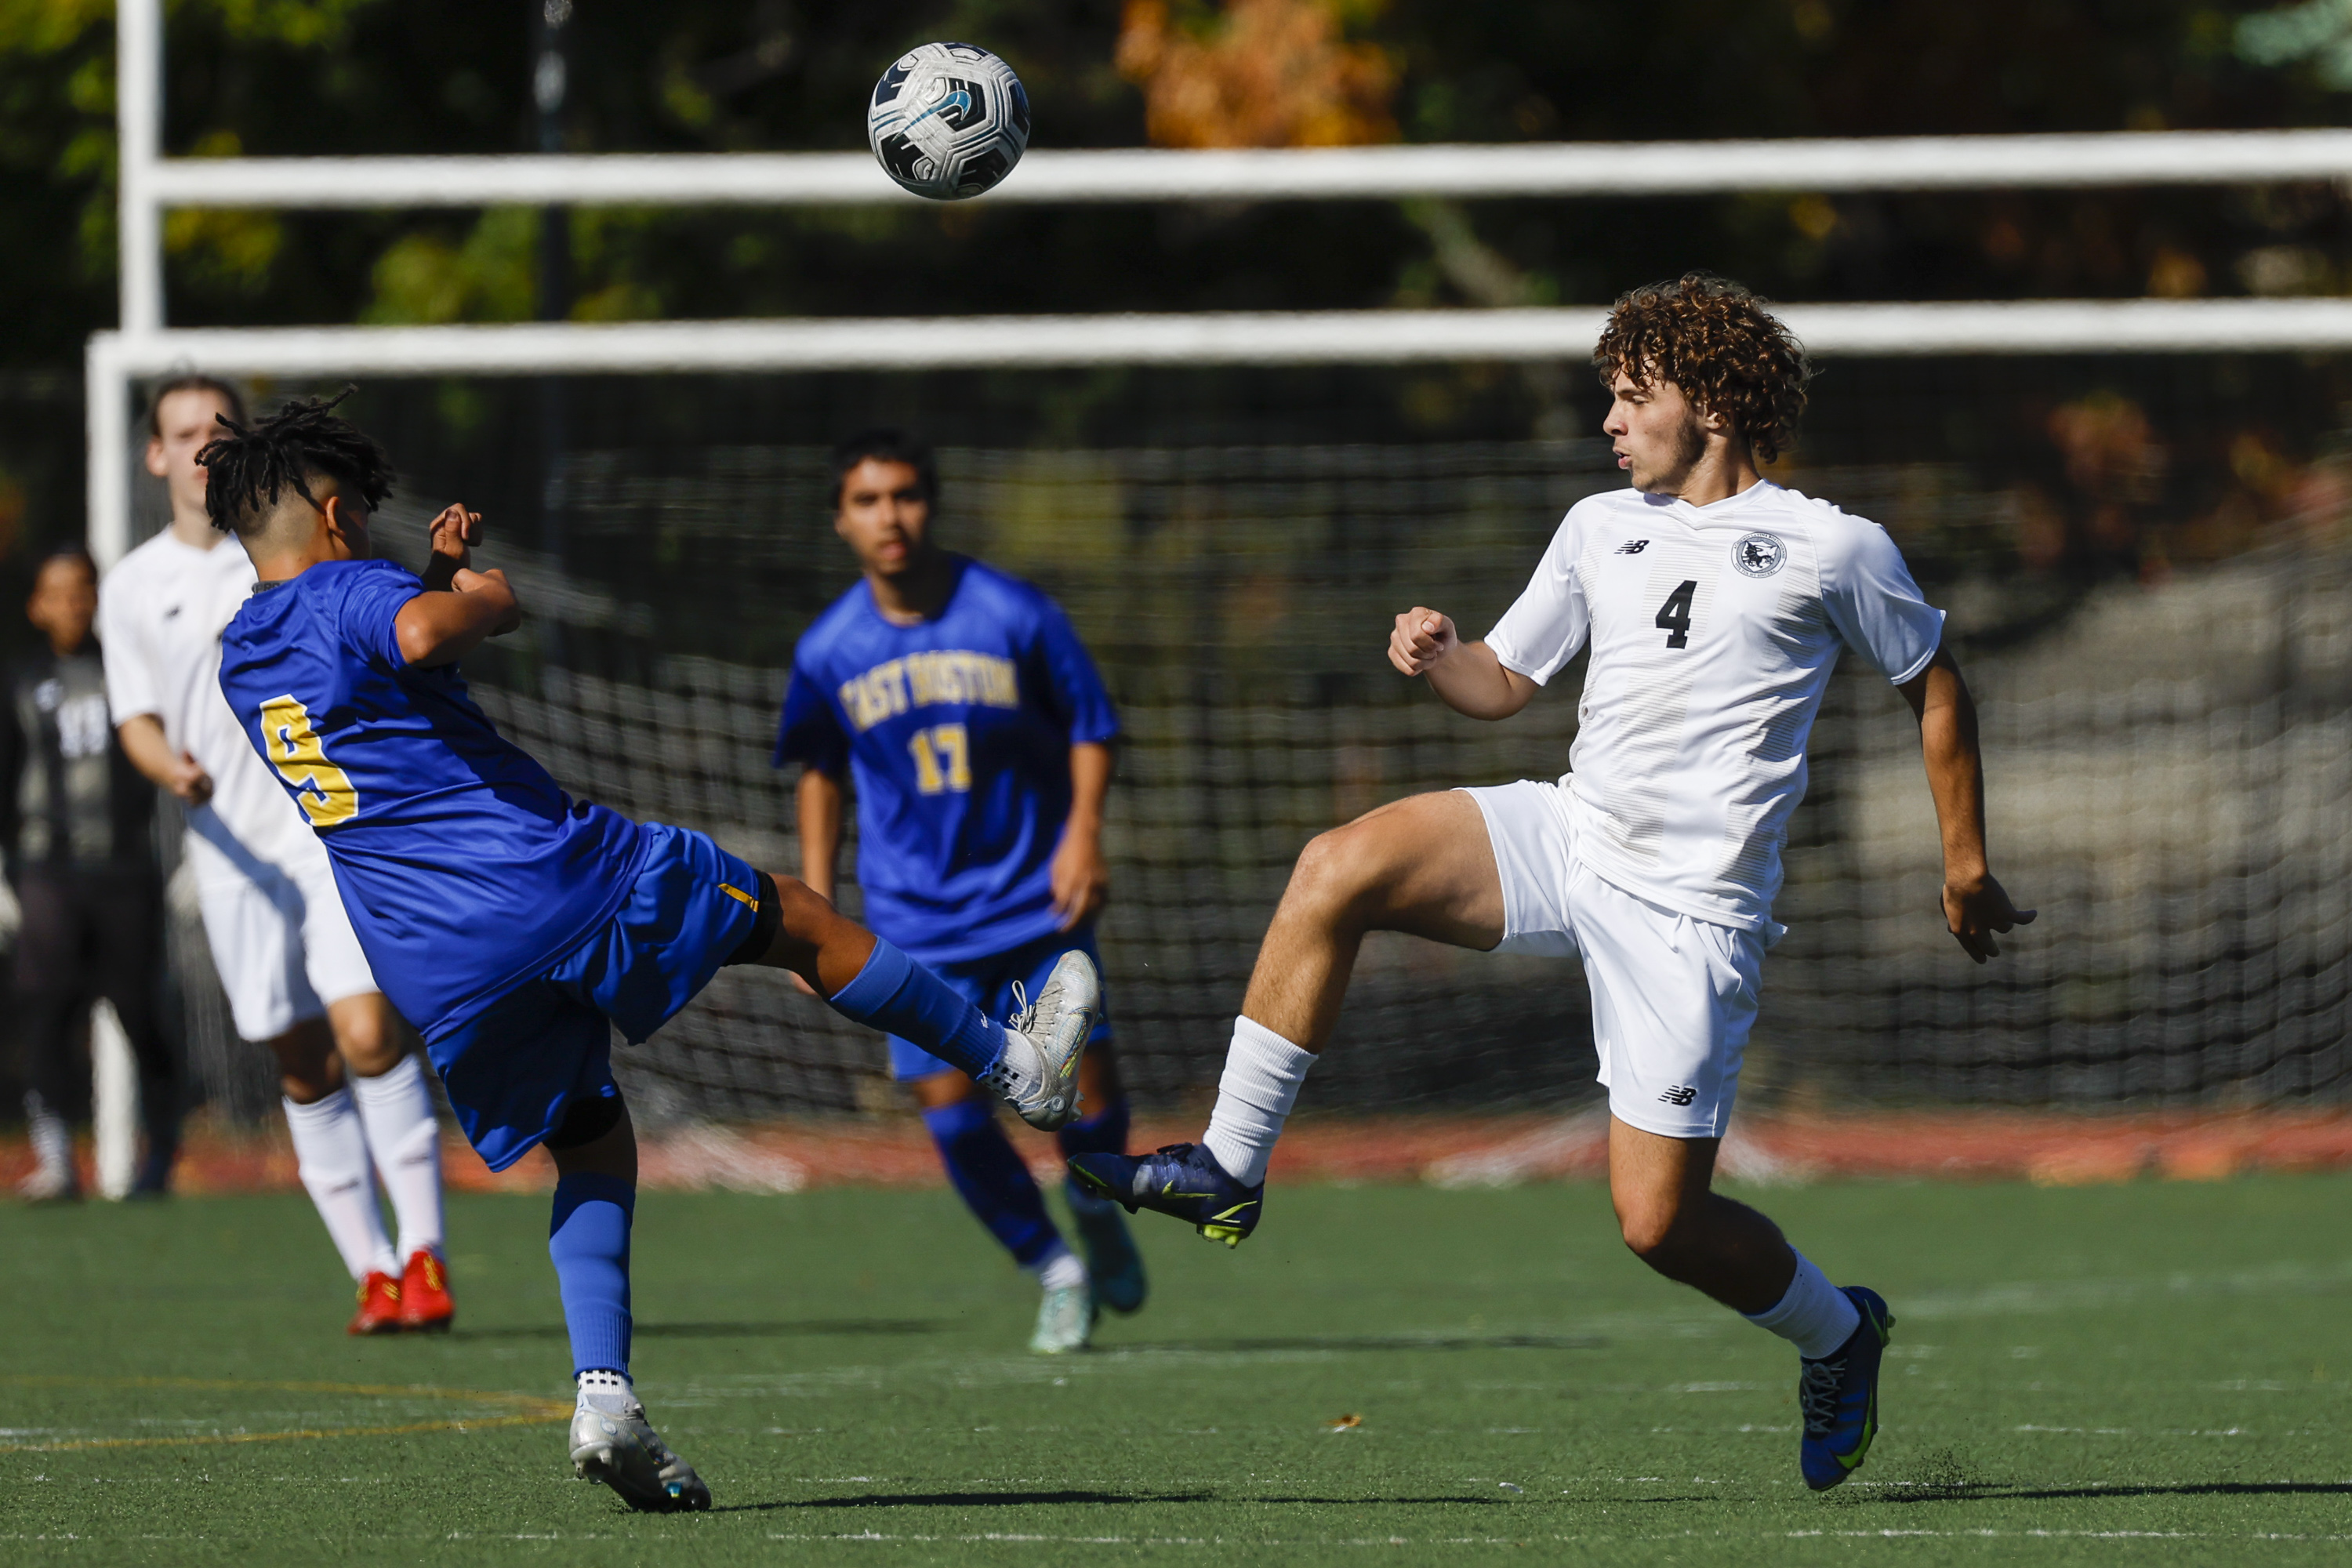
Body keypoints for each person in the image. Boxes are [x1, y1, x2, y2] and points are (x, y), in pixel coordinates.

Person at [1072, 274, 2036, 1493]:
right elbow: (1505, 688)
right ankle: (1227, 1166)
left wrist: (1963, 863)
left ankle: (1840, 1335)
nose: (1611, 423)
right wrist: (1440, 655)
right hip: (1571, 837)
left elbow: (1934, 684)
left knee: (1658, 1226)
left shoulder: (1834, 545)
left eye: (1633, 398)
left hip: (1693, 917)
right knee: (1336, 867)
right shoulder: (1597, 527)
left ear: (1713, 403)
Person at [204, 391, 1099, 1513]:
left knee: (591, 1139)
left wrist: (426, 585)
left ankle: (606, 1394)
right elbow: (417, 635)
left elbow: (377, 685)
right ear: (336, 515)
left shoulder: (242, 650)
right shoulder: (355, 588)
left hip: (433, 961)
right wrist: (479, 593)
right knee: (797, 915)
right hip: (553, 882)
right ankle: (1019, 1066)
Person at [100, 376, 454, 1334]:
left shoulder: (279, 547)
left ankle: (425, 1254)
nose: (201, 446)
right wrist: (165, 766)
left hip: (322, 833)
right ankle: (371, 1268)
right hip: (228, 855)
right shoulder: (132, 585)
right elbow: (133, 713)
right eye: (182, 432)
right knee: (300, 1062)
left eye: (220, 429)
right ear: (156, 455)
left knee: (371, 1033)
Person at [777, 430, 1143, 1356]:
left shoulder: (1012, 613)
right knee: (947, 1104)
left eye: (904, 495)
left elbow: (1091, 725)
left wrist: (1083, 835)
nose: (888, 516)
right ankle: (1055, 1272)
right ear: (841, 519)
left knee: (1085, 1095)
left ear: (930, 503)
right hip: (915, 918)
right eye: (867, 500)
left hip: (1032, 901)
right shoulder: (828, 648)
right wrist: (814, 897)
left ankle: (1097, 1207)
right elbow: (818, 768)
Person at [3, 548, 181, 1200]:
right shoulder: (19, 679)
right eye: (58, 593)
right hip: (46, 868)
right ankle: (55, 1155)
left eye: (83, 590)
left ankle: (159, 1153)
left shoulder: (132, 672)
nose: (73, 604)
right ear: (37, 606)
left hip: (125, 868)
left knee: (139, 1010)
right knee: (46, 1006)